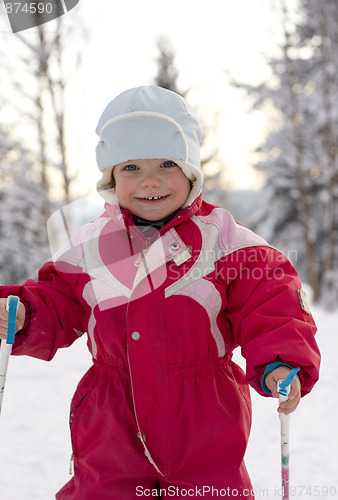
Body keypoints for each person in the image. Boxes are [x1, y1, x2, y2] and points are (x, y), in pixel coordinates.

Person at [0, 86, 320, 499]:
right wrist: (24, 312)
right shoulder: (91, 245)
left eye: (166, 163)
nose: (149, 180)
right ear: (110, 177)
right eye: (130, 167)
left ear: (190, 171)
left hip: (204, 417)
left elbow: (272, 301)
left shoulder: (227, 242)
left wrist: (281, 359)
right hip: (111, 419)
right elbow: (58, 299)